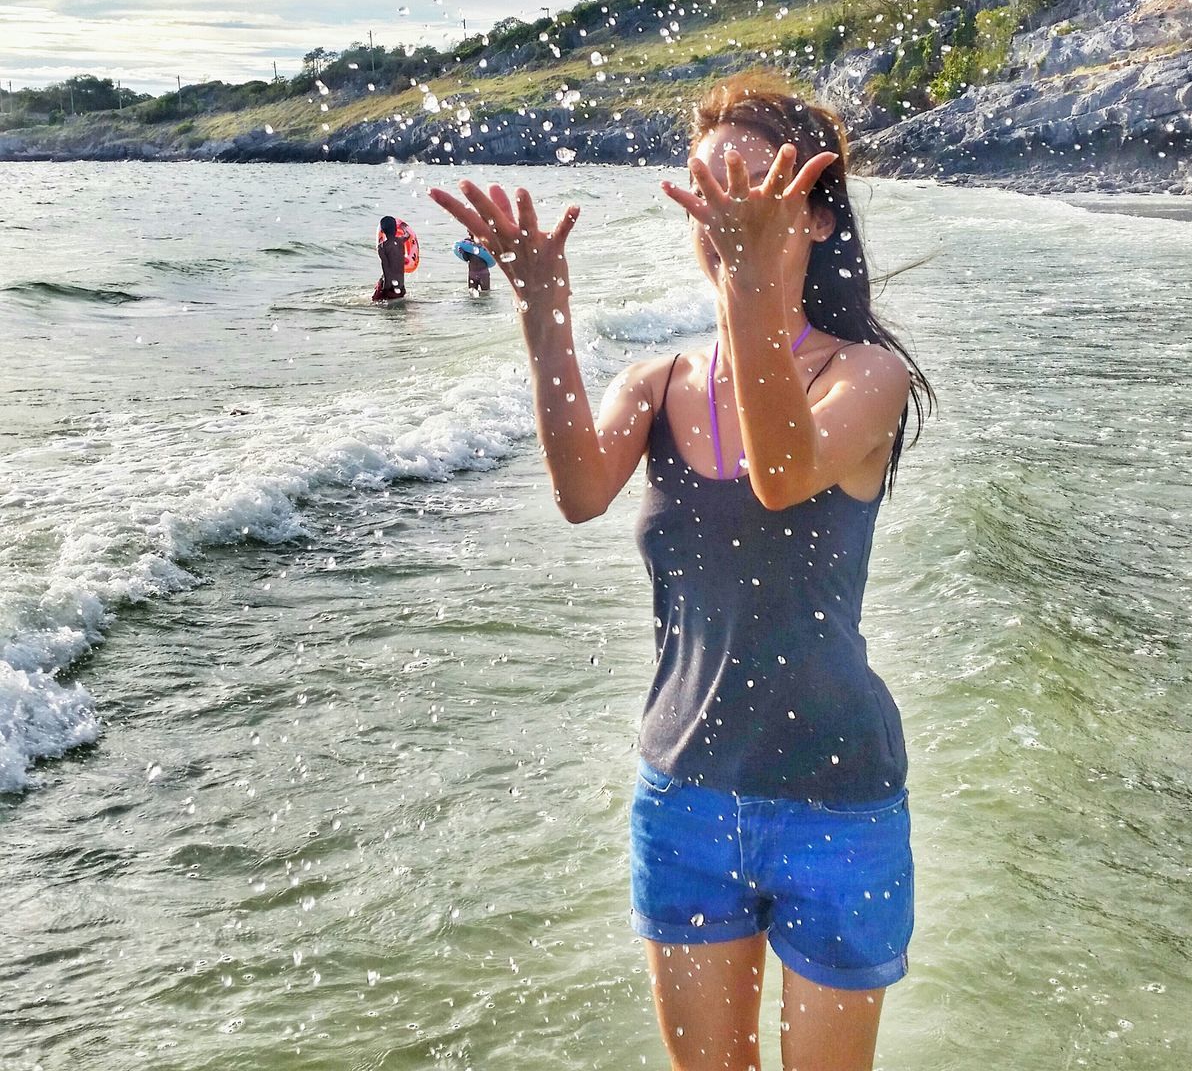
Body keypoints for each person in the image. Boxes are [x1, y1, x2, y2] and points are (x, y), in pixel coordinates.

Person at [429, 71, 932, 1071]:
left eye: (752, 184)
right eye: (706, 190)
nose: (723, 212)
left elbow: (782, 472)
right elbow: (578, 489)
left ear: (819, 212)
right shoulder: (656, 381)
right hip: (685, 796)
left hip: (839, 804)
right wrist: (543, 309)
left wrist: (751, 289)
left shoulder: (864, 375)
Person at [372, 215, 406, 302]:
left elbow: (386, 270)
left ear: (382, 231)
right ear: (396, 228)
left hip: (389, 288)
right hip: (401, 288)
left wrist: (385, 290)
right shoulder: (401, 241)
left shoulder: (382, 247)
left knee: (373, 302)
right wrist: (403, 227)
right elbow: (408, 235)